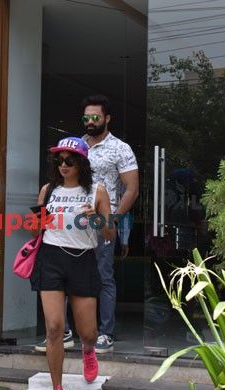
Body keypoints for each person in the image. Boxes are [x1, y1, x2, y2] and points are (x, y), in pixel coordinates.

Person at [30, 136, 115, 390]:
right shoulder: (48, 190)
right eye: (59, 160)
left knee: (87, 333)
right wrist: (36, 221)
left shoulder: (97, 191)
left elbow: (110, 233)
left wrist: (96, 219)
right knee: (54, 327)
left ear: (81, 163)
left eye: (69, 160)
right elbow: (35, 230)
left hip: (82, 261)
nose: (63, 165)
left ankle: (88, 352)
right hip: (51, 259)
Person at [82, 94, 139, 353]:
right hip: (75, 221)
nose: (90, 121)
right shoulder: (77, 146)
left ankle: (105, 333)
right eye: (86, 117)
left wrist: (114, 219)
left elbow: (132, 189)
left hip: (103, 221)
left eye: (95, 117)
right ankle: (70, 331)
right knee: (72, 275)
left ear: (107, 118)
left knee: (103, 276)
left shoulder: (120, 148)